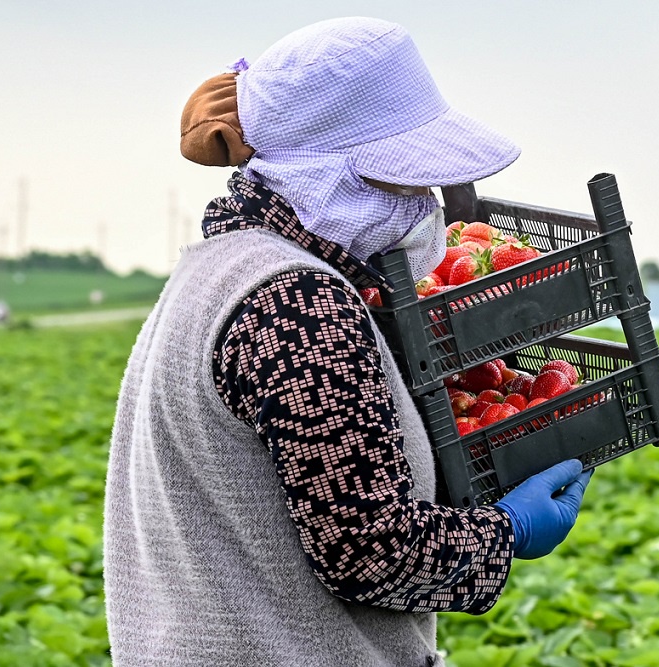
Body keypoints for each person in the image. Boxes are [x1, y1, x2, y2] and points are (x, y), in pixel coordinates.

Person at [103, 17, 593, 667]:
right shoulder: (298, 303)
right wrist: (508, 531)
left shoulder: (217, 272)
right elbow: (370, 552)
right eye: (408, 181)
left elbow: (308, 501)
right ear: (334, 175)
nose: (426, 204)